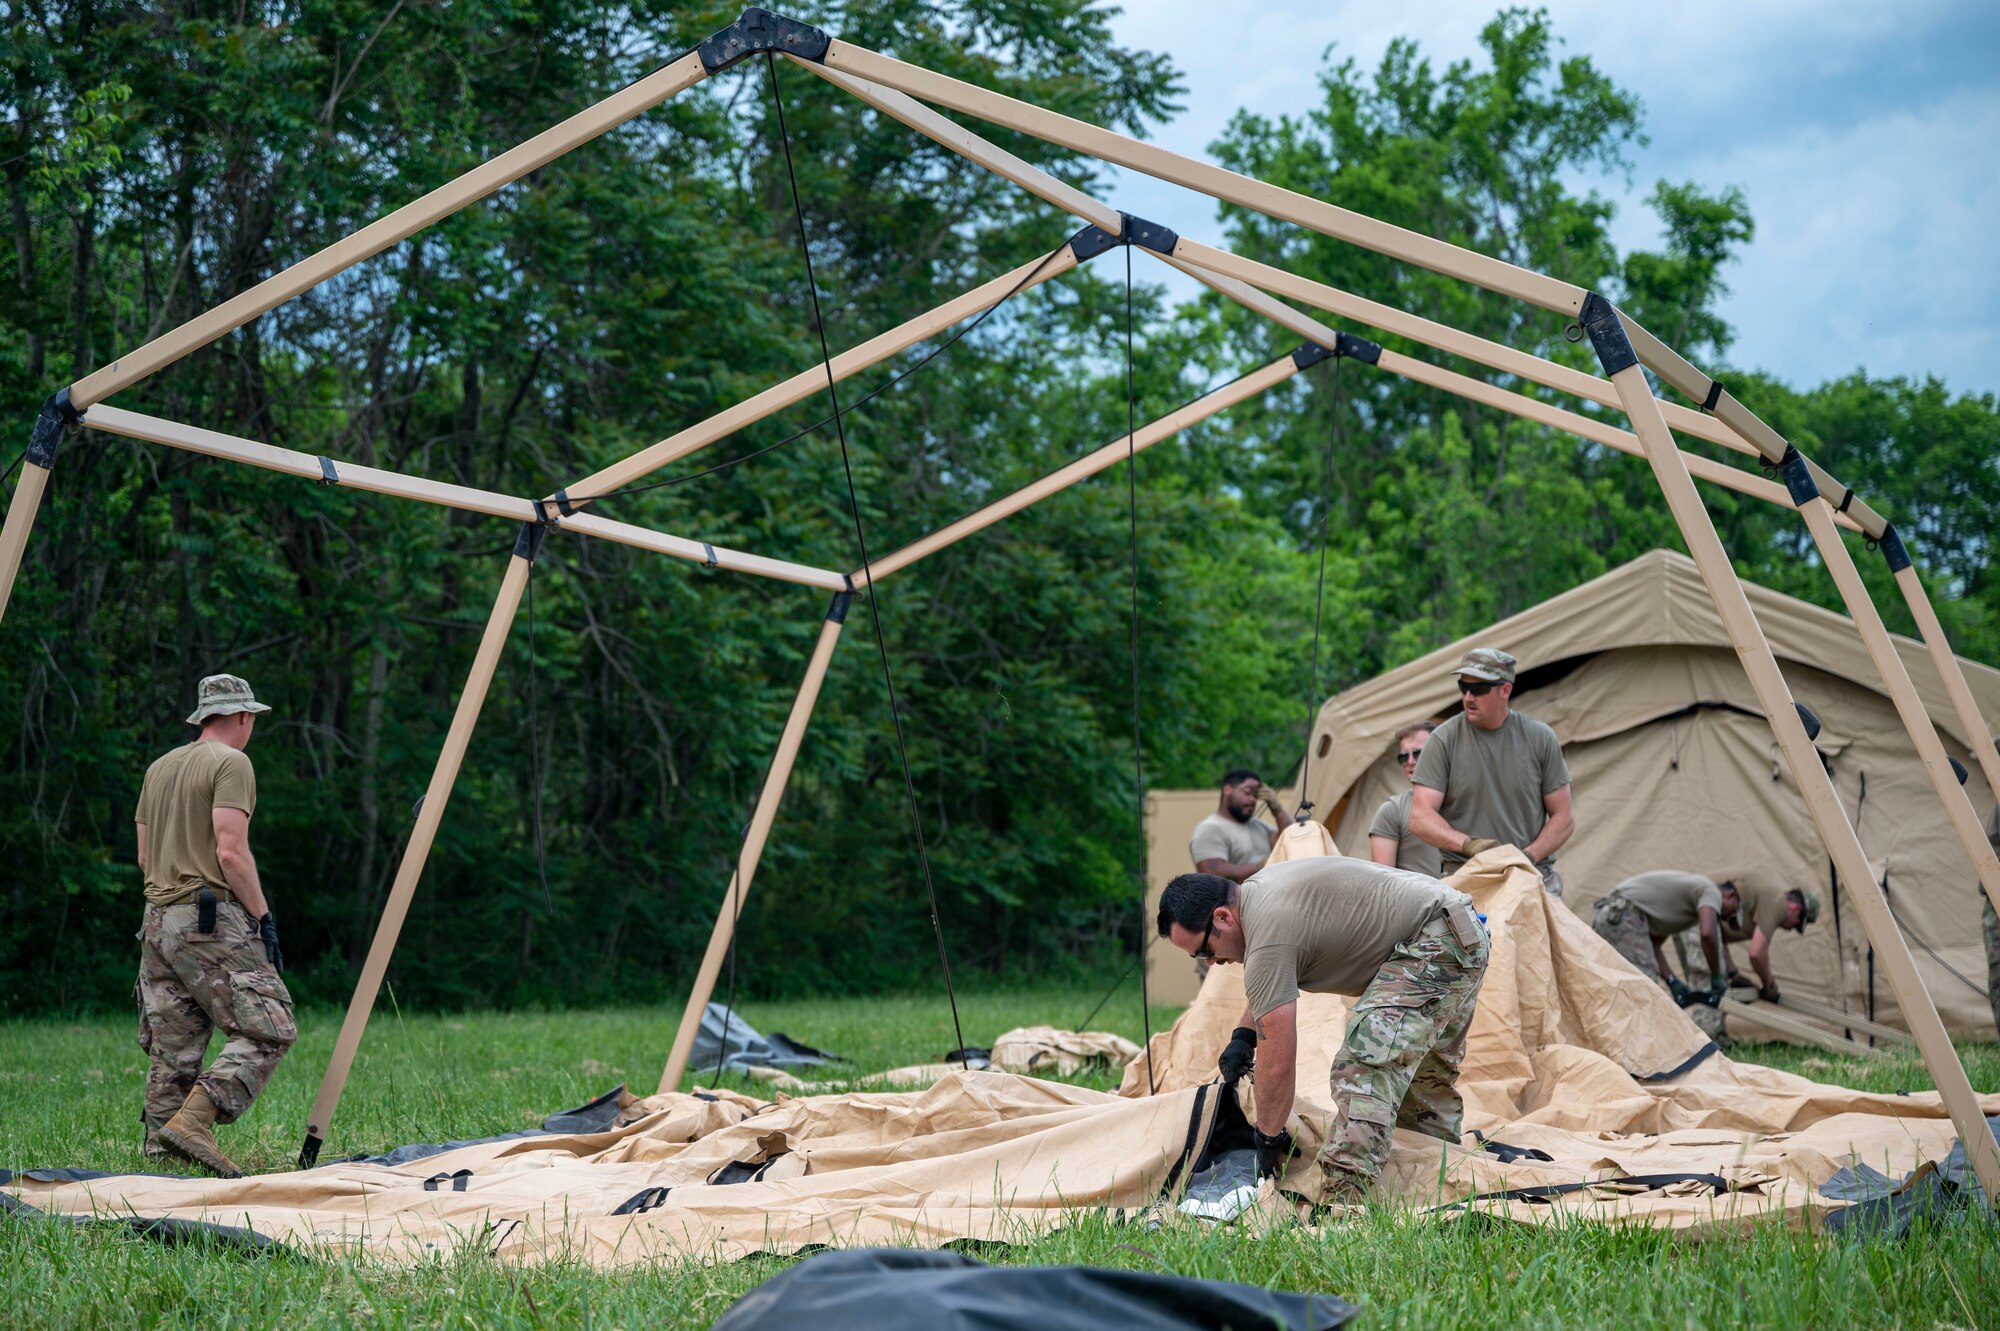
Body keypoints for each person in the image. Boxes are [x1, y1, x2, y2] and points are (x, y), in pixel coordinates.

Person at [1156, 859, 1489, 1204]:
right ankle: (1443, 1179)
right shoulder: (1259, 897)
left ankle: (1345, 1202)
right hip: (1461, 932)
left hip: (1434, 944)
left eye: (1206, 951)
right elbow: (1268, 984)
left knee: (1364, 1065)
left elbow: (1278, 1064)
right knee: (1425, 1080)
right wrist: (1243, 1037)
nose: (1211, 962)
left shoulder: (1268, 936)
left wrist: (1268, 1139)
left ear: (1223, 917)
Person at [133, 674, 294, 1177]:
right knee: (270, 1027)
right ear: (243, 716)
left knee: (173, 1045)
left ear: (203, 716)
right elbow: (230, 850)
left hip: (156, 920)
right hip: (207, 915)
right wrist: (263, 917)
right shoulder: (232, 763)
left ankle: (161, 1159)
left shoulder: (159, 768)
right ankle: (193, 1123)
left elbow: (143, 857)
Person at [1409, 649, 1575, 895]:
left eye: (1478, 690)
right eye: (1463, 686)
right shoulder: (1444, 740)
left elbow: (1564, 817)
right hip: (1465, 876)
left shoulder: (1540, 738)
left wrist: (1526, 857)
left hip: (1531, 876)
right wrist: (1469, 845)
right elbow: (1420, 817)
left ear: (1505, 690)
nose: (1467, 697)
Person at [1592, 871, 1740, 1017]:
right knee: (1643, 988)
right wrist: (1717, 975)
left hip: (1611, 915)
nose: (1726, 918)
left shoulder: (1676, 910)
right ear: (1729, 895)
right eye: (1732, 913)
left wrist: (1672, 981)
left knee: (1624, 985)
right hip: (1624, 914)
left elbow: (1654, 947)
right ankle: (1643, 1038)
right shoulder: (1710, 889)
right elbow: (1707, 934)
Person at [1674, 882, 1818, 1002]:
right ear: (1795, 908)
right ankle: (1710, 1034)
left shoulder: (1767, 898)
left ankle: (1710, 1033)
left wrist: (1733, 974)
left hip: (1688, 913)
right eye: (1797, 924)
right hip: (1699, 915)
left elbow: (1718, 935)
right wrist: (1769, 985)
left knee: (1705, 991)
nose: (1790, 929)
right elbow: (1756, 954)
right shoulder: (1778, 904)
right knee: (1709, 992)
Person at [1368, 723, 1442, 877]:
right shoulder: (1392, 810)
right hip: (1419, 900)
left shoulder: (1464, 803)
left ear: (1439, 753)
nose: (1410, 762)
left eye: (1417, 753)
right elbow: (1382, 882)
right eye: (1403, 756)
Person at [1188, 769, 1277, 884]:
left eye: (1256, 795)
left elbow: (1290, 842)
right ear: (1227, 790)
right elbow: (1213, 873)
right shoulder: (1210, 828)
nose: (1253, 799)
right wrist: (1264, 865)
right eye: (1247, 792)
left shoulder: (1259, 825)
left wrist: (1277, 809)